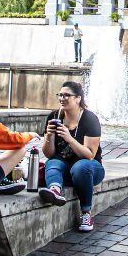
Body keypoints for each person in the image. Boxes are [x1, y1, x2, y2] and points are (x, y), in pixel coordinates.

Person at [38, 80, 104, 233]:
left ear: (78, 98)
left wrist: (69, 138)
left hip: (90, 169)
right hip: (64, 168)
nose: (62, 98)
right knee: (52, 162)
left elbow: (89, 154)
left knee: (80, 166)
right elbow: (48, 153)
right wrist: (49, 135)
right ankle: (55, 190)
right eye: (60, 95)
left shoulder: (89, 119)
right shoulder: (54, 116)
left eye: (67, 95)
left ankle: (86, 213)